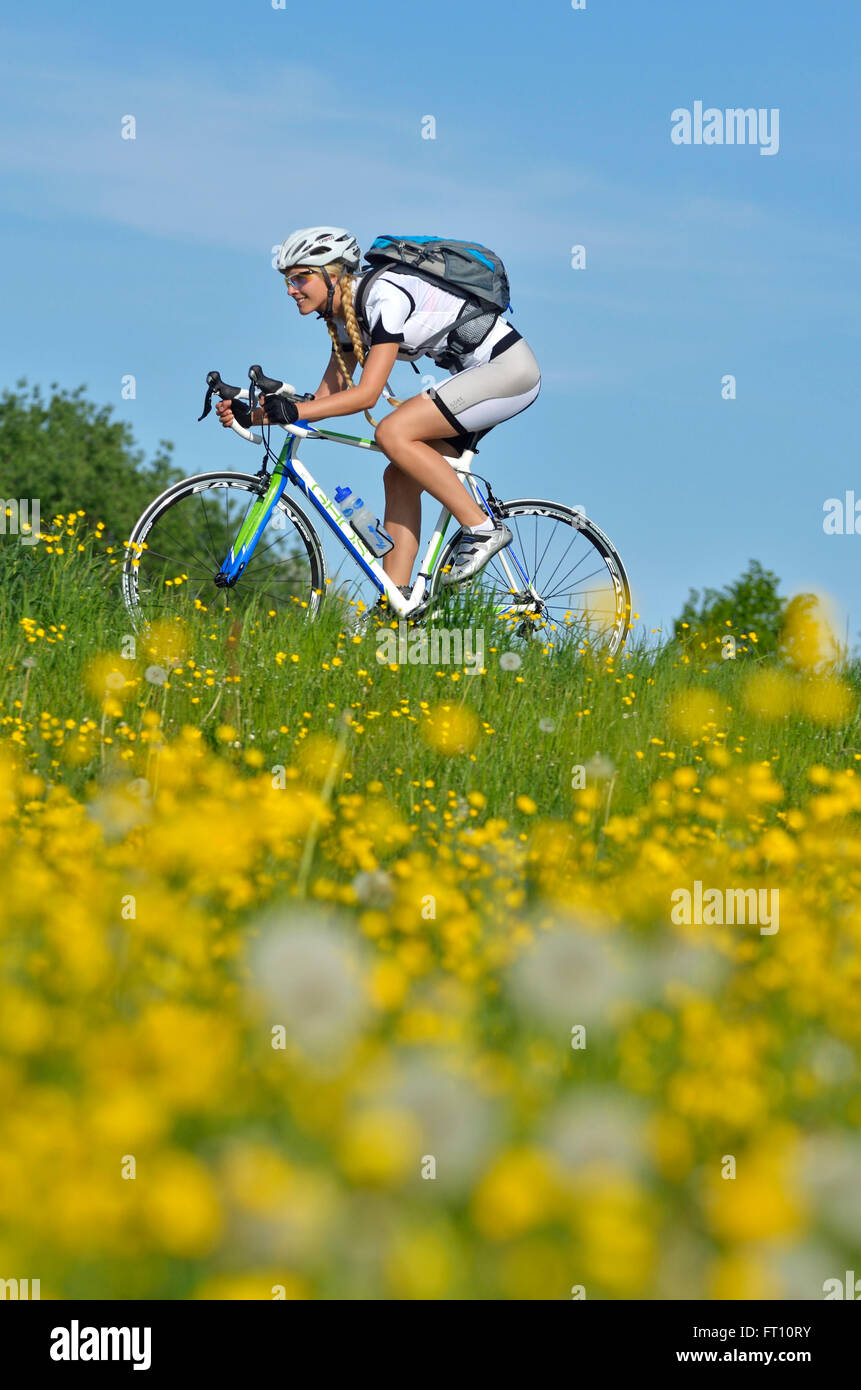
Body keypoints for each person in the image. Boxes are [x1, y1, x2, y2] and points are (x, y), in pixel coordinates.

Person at [216, 226, 541, 593]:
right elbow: (326, 398)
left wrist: (293, 412)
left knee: (391, 432)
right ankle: (396, 601)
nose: (291, 289)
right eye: (287, 281)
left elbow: (366, 395)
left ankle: (483, 529)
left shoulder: (383, 297)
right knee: (398, 476)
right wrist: (257, 414)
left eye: (299, 277)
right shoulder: (344, 318)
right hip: (472, 379)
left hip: (507, 371)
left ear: (332, 275)